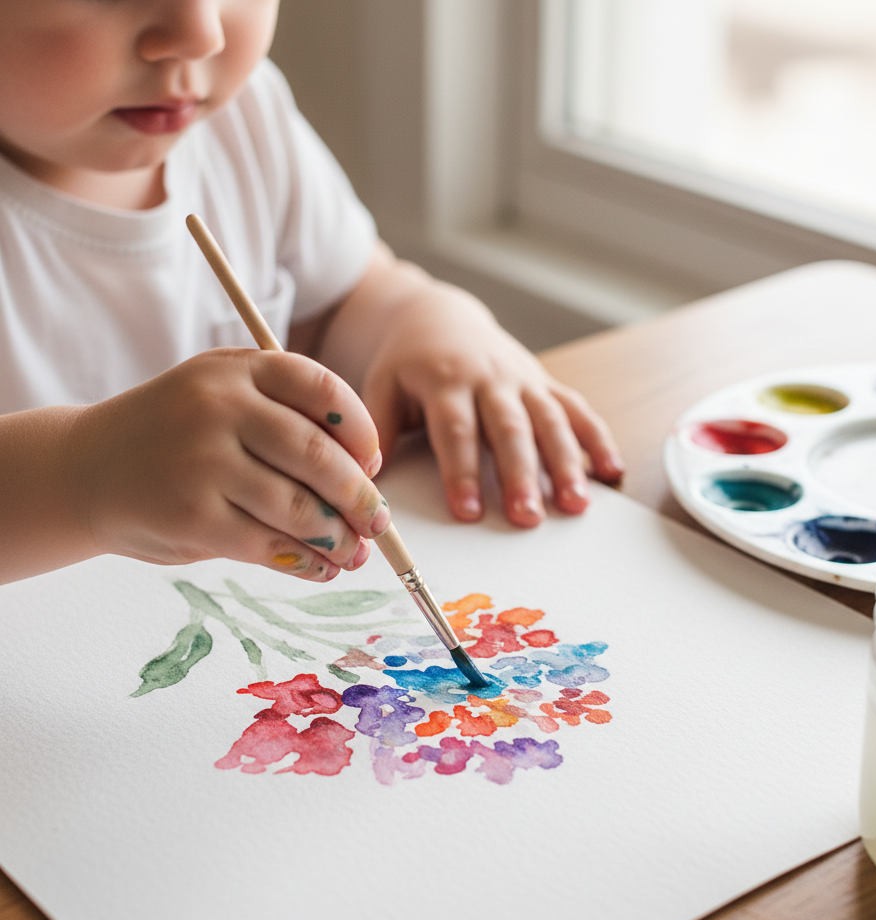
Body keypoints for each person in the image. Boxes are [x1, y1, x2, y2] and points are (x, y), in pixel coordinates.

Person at [0, 0, 623, 587]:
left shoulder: (245, 121)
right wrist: (82, 480)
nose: (201, 32)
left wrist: (427, 320)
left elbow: (350, 296)